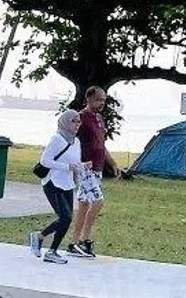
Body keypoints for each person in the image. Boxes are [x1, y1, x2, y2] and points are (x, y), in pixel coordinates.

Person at [29, 109, 88, 264]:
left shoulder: (77, 141)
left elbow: (74, 162)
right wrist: (67, 167)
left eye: (78, 121)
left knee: (66, 219)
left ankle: (47, 245)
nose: (77, 124)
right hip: (52, 182)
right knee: (65, 217)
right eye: (73, 121)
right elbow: (45, 161)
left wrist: (81, 168)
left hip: (67, 183)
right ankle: (45, 244)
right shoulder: (57, 139)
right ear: (64, 122)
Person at [68, 86, 121, 259]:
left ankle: (74, 242)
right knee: (97, 201)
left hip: (97, 168)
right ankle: (84, 239)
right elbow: (70, 141)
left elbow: (101, 145)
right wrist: (77, 164)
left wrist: (112, 164)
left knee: (84, 204)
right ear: (89, 99)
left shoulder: (99, 119)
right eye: (98, 99)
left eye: (104, 100)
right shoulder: (80, 118)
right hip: (86, 168)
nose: (102, 103)